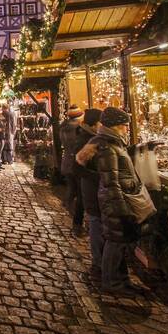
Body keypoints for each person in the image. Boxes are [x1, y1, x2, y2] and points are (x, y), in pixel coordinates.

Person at [91, 107, 144, 295]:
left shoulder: (114, 143)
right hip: (114, 201)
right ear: (114, 126)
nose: (125, 129)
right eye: (123, 126)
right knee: (115, 242)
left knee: (120, 242)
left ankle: (121, 280)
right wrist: (122, 208)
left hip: (117, 199)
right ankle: (111, 283)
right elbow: (110, 182)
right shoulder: (107, 146)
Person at [73, 108, 103, 277]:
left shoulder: (91, 137)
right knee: (96, 222)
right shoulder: (87, 140)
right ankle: (99, 264)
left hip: (93, 188)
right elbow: (77, 167)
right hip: (92, 188)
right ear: (94, 123)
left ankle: (100, 262)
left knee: (97, 222)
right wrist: (98, 176)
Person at [60, 105, 84, 233]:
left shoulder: (63, 127)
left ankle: (68, 207)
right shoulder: (78, 129)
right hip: (76, 161)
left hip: (67, 160)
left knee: (71, 187)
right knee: (80, 191)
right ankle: (74, 215)